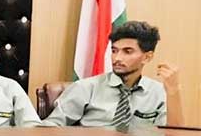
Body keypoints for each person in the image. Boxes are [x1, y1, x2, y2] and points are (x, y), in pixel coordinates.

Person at [43, 21, 182, 128]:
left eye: (127, 51)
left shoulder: (159, 92)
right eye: (114, 51)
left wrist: (173, 92)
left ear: (147, 57)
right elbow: (51, 127)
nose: (117, 58)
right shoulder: (86, 88)